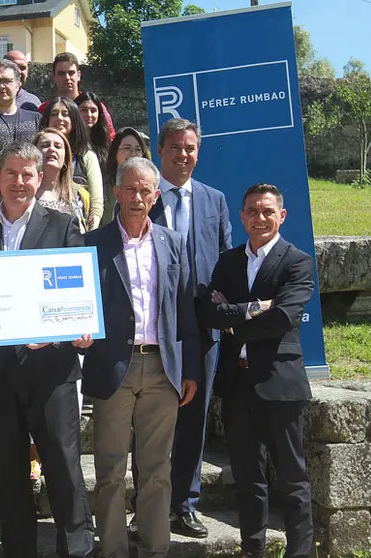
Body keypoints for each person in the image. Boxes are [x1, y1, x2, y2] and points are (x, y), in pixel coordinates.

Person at [0, 142, 95, 558]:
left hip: (50, 370)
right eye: (11, 173)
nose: (19, 182)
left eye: (27, 175)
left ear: (40, 178)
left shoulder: (64, 225)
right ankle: (18, 549)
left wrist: (68, 330)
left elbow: (76, 293)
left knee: (63, 467)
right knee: (6, 471)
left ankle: (76, 549)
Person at [82, 157, 199, 558]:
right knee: (110, 470)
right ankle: (112, 550)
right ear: (116, 193)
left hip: (163, 369)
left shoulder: (172, 242)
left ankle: (155, 549)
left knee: (157, 470)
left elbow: (186, 310)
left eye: (144, 190)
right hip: (114, 365)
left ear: (156, 195)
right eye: (129, 189)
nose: (136, 197)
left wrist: (191, 370)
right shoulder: (93, 244)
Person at [198, 183, 314, 558]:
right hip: (237, 384)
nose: (260, 218)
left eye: (267, 211)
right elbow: (208, 311)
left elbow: (282, 316)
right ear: (242, 216)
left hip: (280, 385)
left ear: (281, 216)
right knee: (248, 479)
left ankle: (299, 552)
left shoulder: (297, 261)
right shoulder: (228, 261)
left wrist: (232, 318)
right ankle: (253, 550)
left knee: (292, 480)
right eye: (252, 211)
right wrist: (251, 310)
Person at [149, 118, 232, 539]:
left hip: (201, 329)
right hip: (151, 326)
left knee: (194, 420)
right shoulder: (141, 195)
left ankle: (185, 503)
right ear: (160, 151)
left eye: (191, 148)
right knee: (148, 422)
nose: (184, 154)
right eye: (176, 147)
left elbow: (224, 259)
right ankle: (145, 505)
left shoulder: (215, 199)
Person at [42, 96, 103, 230]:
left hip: (77, 234)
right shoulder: (36, 154)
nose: (59, 118)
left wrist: (90, 234)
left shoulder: (87, 157)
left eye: (65, 114)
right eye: (54, 114)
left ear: (74, 120)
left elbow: (96, 203)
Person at [48, 52, 115, 141]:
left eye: (71, 73)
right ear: (54, 77)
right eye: (61, 73)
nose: (67, 77)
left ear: (79, 75)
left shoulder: (95, 107)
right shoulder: (45, 108)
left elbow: (110, 138)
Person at [32, 128, 89, 232]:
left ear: (65, 157)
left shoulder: (79, 195)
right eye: (45, 145)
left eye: (58, 146)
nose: (51, 149)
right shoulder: (22, 192)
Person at [102, 127, 149, 227]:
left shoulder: (150, 187)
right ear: (115, 152)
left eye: (138, 149)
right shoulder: (103, 185)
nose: (133, 154)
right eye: (127, 148)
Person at [75, 92, 112, 165]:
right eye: (83, 110)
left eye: (93, 110)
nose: (89, 115)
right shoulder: (68, 141)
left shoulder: (105, 143)